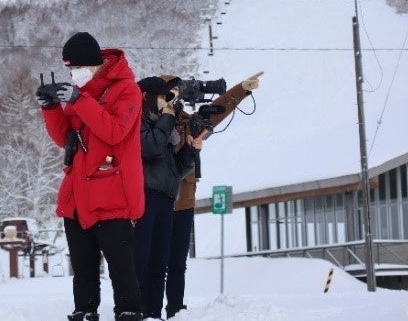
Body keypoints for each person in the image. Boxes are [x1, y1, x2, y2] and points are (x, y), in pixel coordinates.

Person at [35, 32, 145, 321]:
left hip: (112, 195)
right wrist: (50, 108)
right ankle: (84, 312)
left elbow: (115, 132)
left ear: (95, 64)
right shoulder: (79, 93)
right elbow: (64, 138)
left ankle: (129, 312)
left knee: (120, 266)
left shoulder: (127, 90)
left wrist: (79, 100)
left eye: (77, 68)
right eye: (69, 70)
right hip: (79, 192)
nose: (73, 74)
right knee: (83, 267)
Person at [162, 72, 263, 319]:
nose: (178, 97)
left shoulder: (190, 122)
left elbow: (218, 111)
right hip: (156, 200)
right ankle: (148, 307)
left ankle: (175, 307)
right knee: (154, 261)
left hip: (184, 200)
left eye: (179, 91)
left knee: (177, 262)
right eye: (172, 91)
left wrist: (242, 89)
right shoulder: (149, 122)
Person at [133, 76, 195, 321]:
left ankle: (153, 313)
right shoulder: (138, 121)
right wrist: (169, 119)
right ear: (147, 96)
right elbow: (150, 148)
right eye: (162, 97)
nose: (166, 103)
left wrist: (191, 151)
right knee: (142, 259)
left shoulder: (163, 127)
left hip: (166, 197)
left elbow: (177, 170)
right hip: (145, 195)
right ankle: (135, 311)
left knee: (159, 261)